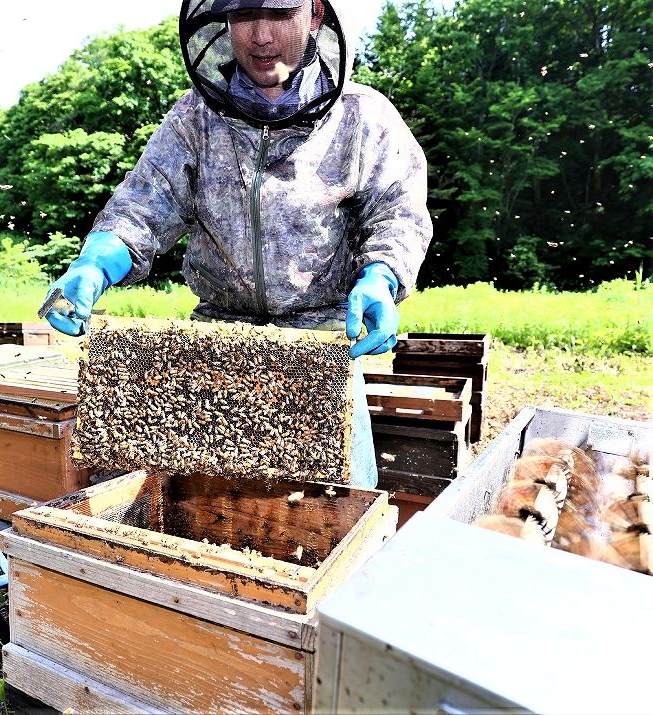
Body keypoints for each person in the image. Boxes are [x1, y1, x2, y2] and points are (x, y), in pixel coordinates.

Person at [44, 0, 433, 488]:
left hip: (324, 347)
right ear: (221, 23)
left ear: (314, 15)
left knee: (340, 513)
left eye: (279, 15)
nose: (260, 36)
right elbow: (143, 206)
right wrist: (95, 265)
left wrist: (383, 275)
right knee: (204, 513)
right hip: (215, 346)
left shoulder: (363, 117)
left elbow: (398, 213)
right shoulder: (194, 119)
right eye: (245, 16)